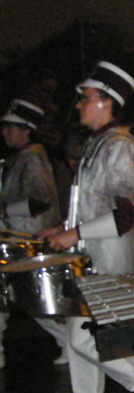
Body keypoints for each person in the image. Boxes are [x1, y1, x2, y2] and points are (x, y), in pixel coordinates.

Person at [37, 62, 134, 393]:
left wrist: (76, 232)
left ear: (108, 103)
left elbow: (128, 215)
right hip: (93, 263)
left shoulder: (121, 149)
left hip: (116, 267)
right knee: (79, 337)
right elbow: (96, 207)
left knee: (84, 339)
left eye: (86, 99)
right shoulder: (99, 146)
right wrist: (66, 230)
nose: (79, 106)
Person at [0, 98, 66, 369]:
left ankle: (71, 344)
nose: (4, 132)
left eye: (10, 127)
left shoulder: (32, 159)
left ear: (26, 130)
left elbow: (41, 199)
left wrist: (5, 210)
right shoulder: (22, 158)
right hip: (16, 241)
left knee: (33, 301)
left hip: (26, 242)